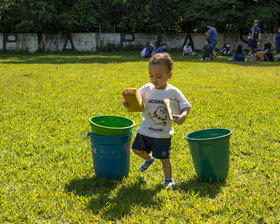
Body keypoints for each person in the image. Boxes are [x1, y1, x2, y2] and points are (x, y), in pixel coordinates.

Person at [123, 53, 191, 188]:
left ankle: (168, 179)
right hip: (145, 130)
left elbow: (186, 106)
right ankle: (149, 159)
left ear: (169, 75)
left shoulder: (173, 92)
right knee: (136, 149)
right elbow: (136, 99)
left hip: (162, 134)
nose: (154, 80)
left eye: (159, 77)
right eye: (151, 75)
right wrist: (128, 102)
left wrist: (183, 116)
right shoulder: (147, 88)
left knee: (165, 158)